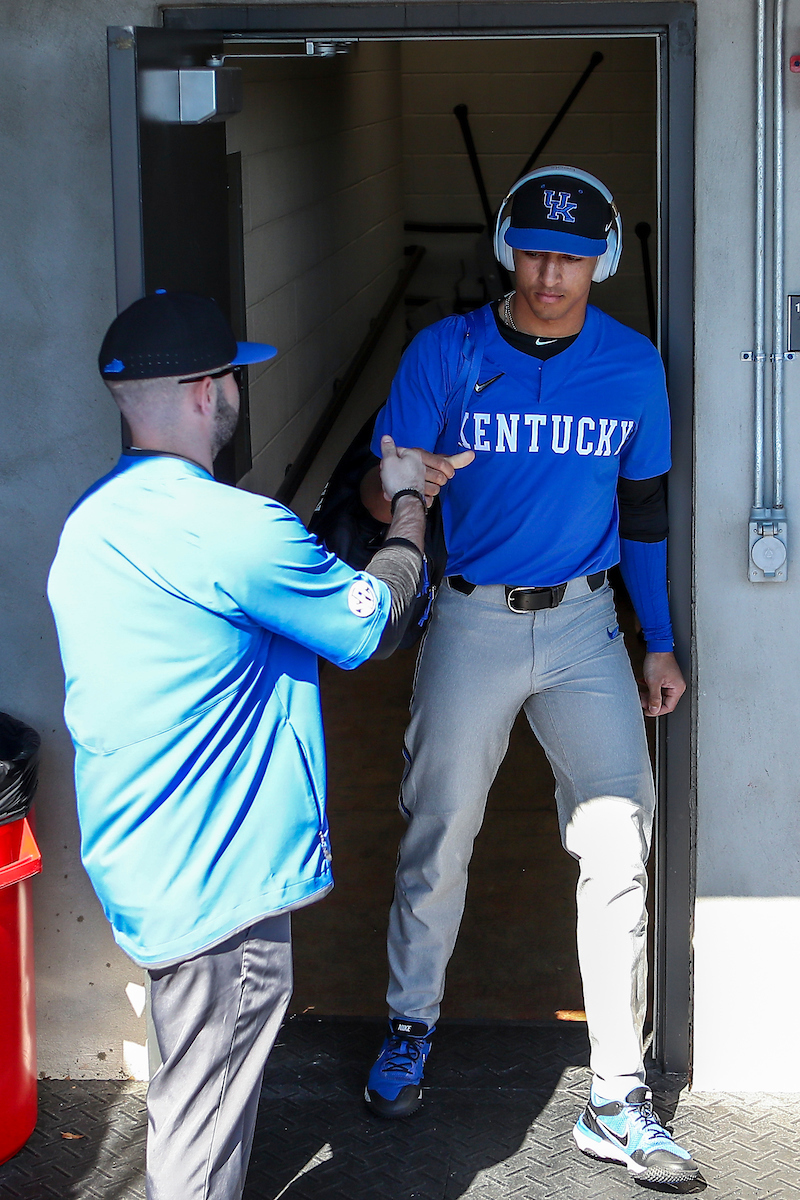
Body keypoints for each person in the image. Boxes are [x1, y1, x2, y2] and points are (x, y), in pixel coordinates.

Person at [47, 290, 439, 1200]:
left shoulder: (91, 524)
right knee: (202, 1128)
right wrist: (409, 501)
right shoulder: (230, 528)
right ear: (198, 391)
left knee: (191, 1090)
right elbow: (373, 624)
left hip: (147, 867)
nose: (236, 389)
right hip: (221, 888)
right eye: (230, 374)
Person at [359, 168, 700, 1186]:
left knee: (617, 845)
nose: (552, 276)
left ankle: (615, 1095)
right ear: (509, 251)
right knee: (438, 831)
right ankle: (408, 1023)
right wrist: (403, 487)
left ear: (601, 261)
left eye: (573, 257)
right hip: (469, 619)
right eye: (536, 254)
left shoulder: (631, 368)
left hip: (589, 623)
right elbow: (384, 509)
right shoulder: (443, 354)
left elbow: (643, 512)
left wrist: (658, 639)